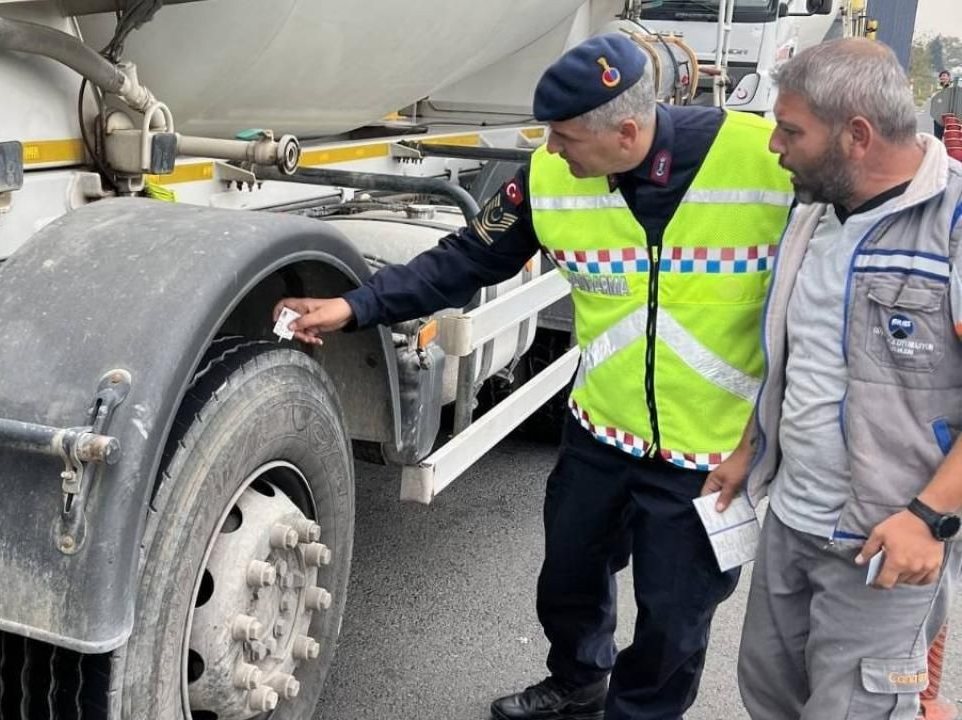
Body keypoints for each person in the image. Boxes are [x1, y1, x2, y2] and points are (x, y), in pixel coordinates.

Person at [274, 33, 793, 720]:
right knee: (569, 583)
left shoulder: (763, 160)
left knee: (674, 623)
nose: (549, 150)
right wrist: (354, 305)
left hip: (711, 455)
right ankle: (579, 682)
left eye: (565, 136)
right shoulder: (548, 177)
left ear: (627, 132)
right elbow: (464, 260)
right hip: (600, 432)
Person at [701, 38, 962, 720]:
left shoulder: (955, 227)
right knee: (772, 699)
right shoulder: (814, 217)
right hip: (792, 523)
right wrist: (749, 452)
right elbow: (803, 354)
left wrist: (930, 519)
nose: (775, 147)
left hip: (885, 545)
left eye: (790, 131)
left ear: (856, 135)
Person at [935, 70, 955, 139]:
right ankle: (939, 149)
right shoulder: (938, 88)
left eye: (944, 76)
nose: (943, 78)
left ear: (949, 77)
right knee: (937, 137)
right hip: (939, 117)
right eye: (941, 77)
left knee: (951, 137)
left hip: (951, 116)